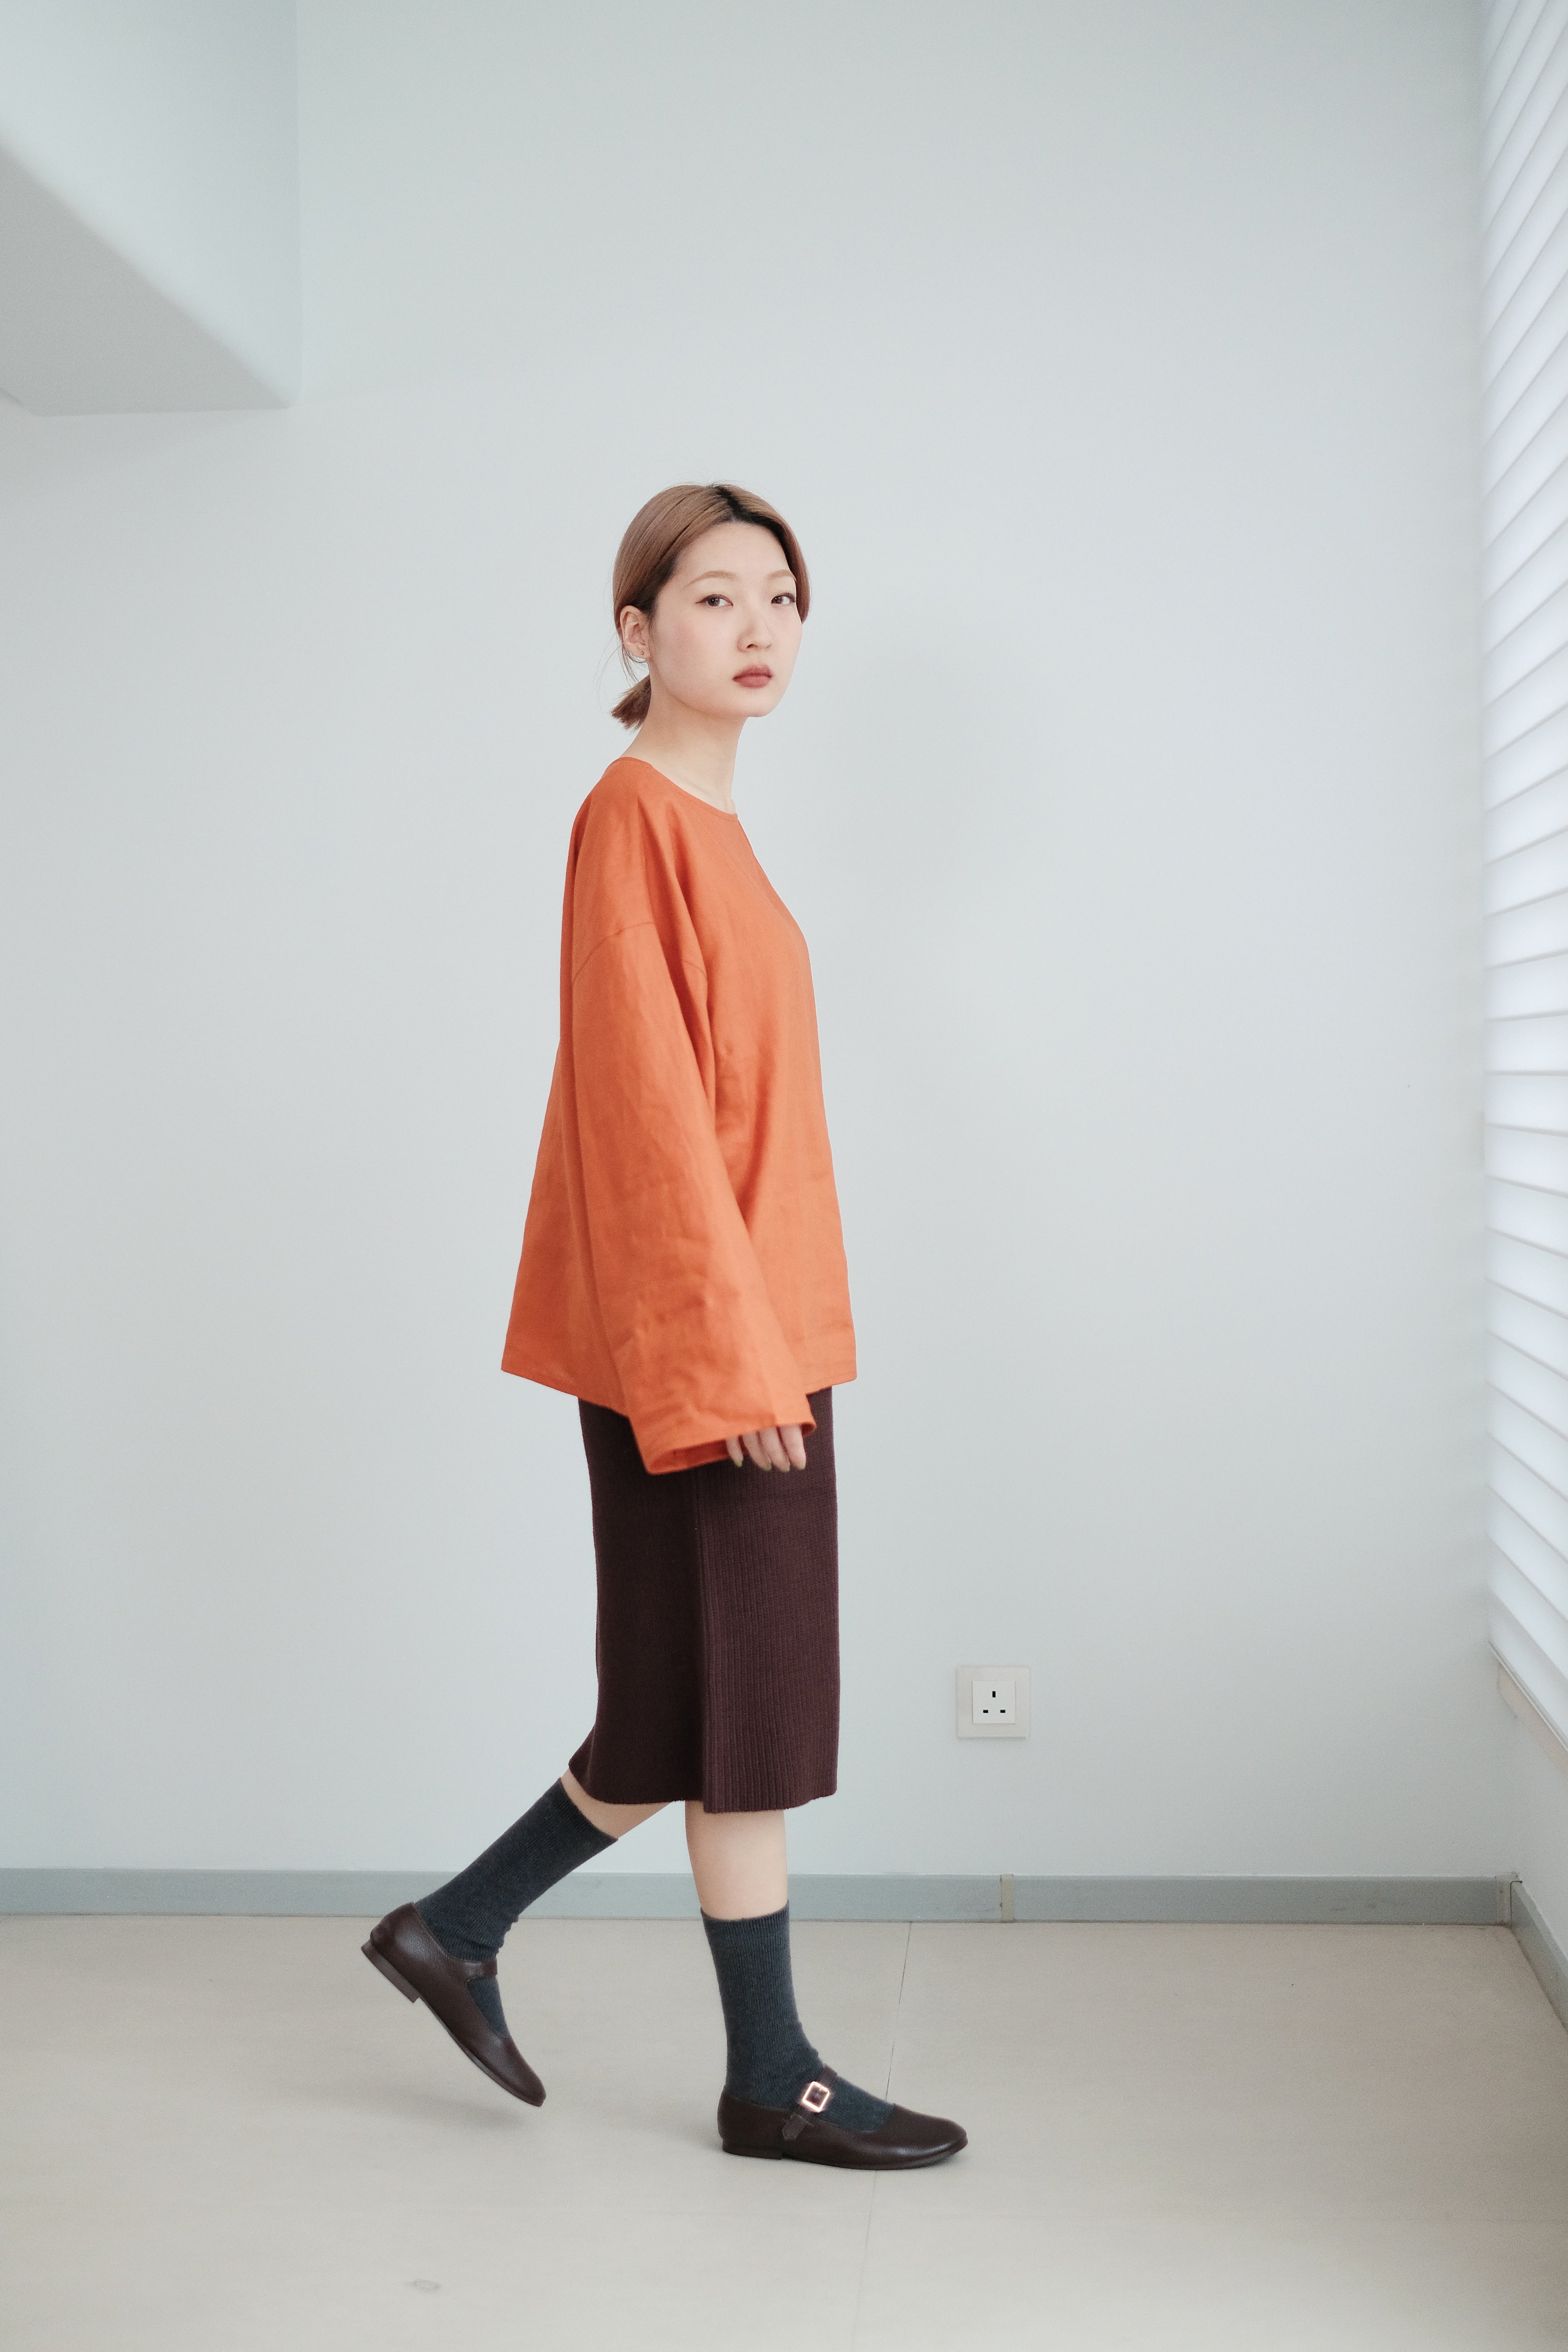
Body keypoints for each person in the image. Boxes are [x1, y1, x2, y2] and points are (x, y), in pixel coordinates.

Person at [363, 483, 965, 2170]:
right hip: (714, 1353)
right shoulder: (631, 816)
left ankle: (456, 1932)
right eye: (714, 598)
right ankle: (772, 2078)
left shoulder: (711, 826)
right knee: (743, 1715)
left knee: (678, 1712)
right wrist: (728, 1368)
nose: (759, 627)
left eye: (782, 595)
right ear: (637, 631)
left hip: (751, 1332)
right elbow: (645, 1120)